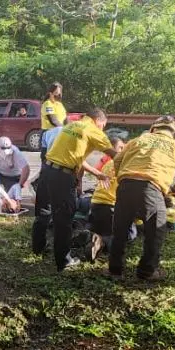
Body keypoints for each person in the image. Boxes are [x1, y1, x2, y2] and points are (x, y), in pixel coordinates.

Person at [108, 116, 175, 281]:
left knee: (119, 230)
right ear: (172, 132)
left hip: (125, 186)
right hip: (152, 188)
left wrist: (123, 178)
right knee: (155, 231)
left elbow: (117, 160)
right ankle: (146, 272)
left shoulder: (137, 141)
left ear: (153, 128)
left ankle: (115, 271)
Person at [32, 108, 117, 272]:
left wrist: (98, 173)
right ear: (98, 120)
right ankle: (63, 261)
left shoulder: (72, 126)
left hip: (47, 171)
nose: (103, 129)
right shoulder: (94, 130)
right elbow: (116, 156)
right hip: (62, 177)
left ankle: (38, 248)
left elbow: (76, 157)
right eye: (103, 126)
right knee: (63, 219)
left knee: (43, 211)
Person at [87, 137, 136, 261]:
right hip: (110, 207)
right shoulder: (128, 166)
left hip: (95, 205)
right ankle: (102, 241)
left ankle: (91, 233)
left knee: (102, 228)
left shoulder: (108, 163)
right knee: (131, 234)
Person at [39, 82, 69, 160]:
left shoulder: (60, 105)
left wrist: (71, 128)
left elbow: (66, 120)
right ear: (50, 93)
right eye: (56, 93)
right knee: (47, 159)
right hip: (48, 134)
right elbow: (53, 120)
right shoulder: (47, 104)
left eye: (60, 93)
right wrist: (65, 130)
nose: (58, 95)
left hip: (60, 133)